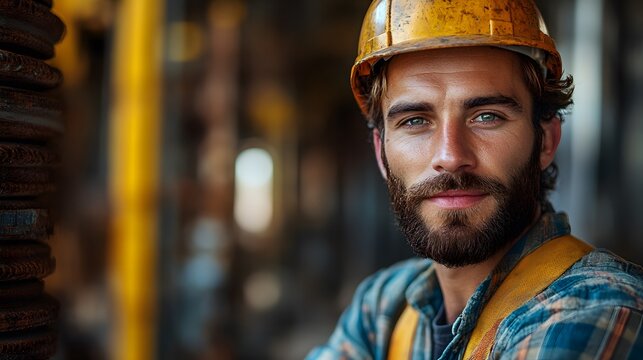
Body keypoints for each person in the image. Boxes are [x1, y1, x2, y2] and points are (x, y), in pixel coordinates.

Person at [307, 0, 643, 359]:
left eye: (487, 116)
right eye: (415, 121)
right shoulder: (383, 308)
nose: (450, 157)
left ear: (545, 140)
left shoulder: (596, 309)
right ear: (381, 153)